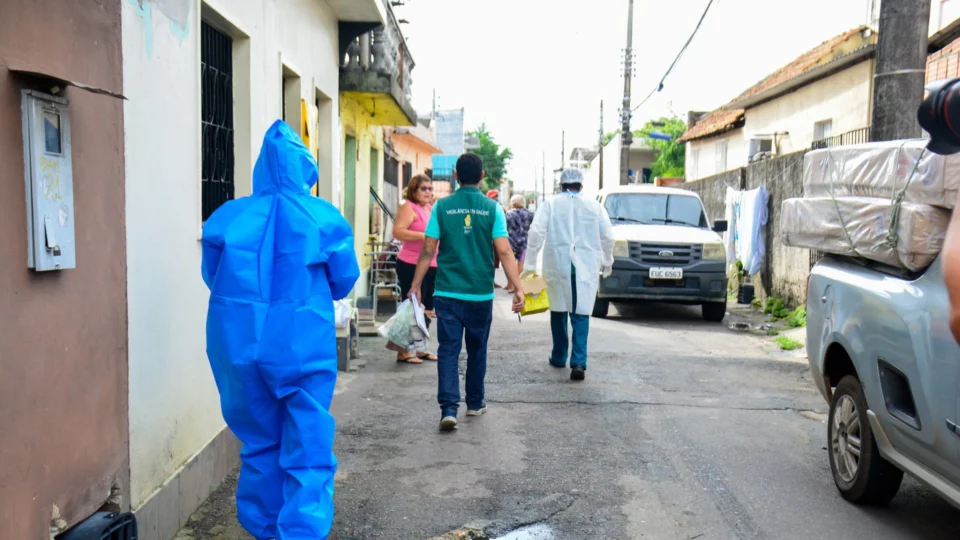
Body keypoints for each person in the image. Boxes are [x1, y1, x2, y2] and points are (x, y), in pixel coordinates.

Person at [201, 120, 360, 540]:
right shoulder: (323, 217)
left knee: (258, 442)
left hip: (238, 340)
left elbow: (212, 275)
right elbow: (344, 280)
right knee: (307, 442)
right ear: (303, 167)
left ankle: (265, 530)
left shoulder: (229, 218)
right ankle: (302, 532)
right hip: (301, 343)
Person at [409, 153, 525, 431]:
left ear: (456, 176)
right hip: (480, 294)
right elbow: (504, 250)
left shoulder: (442, 207)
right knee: (477, 349)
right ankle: (474, 403)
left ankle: (448, 409)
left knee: (448, 351)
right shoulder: (493, 208)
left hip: (447, 292)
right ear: (483, 175)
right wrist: (518, 288)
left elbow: (427, 248)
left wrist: (416, 284)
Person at [526, 168, 615, 381]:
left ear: (561, 186)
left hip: (558, 263)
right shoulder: (595, 206)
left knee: (558, 309)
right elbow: (608, 237)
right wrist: (608, 260)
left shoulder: (551, 204)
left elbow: (536, 232)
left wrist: (530, 263)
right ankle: (578, 362)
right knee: (581, 312)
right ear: (581, 186)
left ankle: (558, 356)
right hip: (584, 266)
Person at [393, 174, 438, 364]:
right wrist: (423, 236)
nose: (428, 191)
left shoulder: (427, 208)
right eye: (423, 188)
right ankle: (404, 350)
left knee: (426, 308)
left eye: (430, 188)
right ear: (414, 190)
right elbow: (398, 231)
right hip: (411, 264)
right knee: (411, 307)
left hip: (431, 264)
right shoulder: (408, 207)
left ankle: (421, 348)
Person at [506, 194, 535, 293]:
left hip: (511, 243)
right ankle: (519, 286)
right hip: (524, 243)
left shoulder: (508, 214)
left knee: (510, 265)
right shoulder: (530, 214)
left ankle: (511, 286)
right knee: (521, 265)